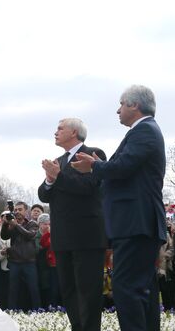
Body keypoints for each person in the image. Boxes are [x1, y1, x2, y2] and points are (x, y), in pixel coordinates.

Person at [72, 85, 166, 331]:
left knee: (126, 288)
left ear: (134, 105)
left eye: (121, 104)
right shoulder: (144, 131)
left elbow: (124, 167)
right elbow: (124, 172)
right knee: (140, 288)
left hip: (136, 223)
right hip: (137, 223)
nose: (118, 110)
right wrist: (101, 167)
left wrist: (95, 166)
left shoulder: (144, 130)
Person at [38, 117, 107, 331]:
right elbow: (43, 195)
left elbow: (89, 186)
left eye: (60, 128)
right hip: (63, 237)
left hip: (87, 236)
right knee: (68, 290)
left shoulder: (93, 153)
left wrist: (58, 176)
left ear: (74, 132)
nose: (56, 132)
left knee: (88, 290)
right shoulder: (58, 160)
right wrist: (50, 179)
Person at [0, 201, 40, 311]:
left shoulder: (32, 224)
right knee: (13, 290)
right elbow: (4, 236)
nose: (17, 212)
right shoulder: (12, 225)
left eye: (20, 209)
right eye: (16, 210)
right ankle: (12, 313)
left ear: (26, 211)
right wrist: (5, 223)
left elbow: (29, 235)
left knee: (33, 289)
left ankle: (38, 312)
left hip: (29, 262)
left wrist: (16, 225)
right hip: (14, 262)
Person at [35, 214, 61, 308]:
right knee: (45, 287)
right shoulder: (36, 235)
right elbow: (40, 247)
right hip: (42, 266)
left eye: (49, 224)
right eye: (45, 224)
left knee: (55, 287)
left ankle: (55, 306)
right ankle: (46, 306)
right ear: (40, 224)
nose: (47, 226)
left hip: (53, 264)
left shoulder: (55, 233)